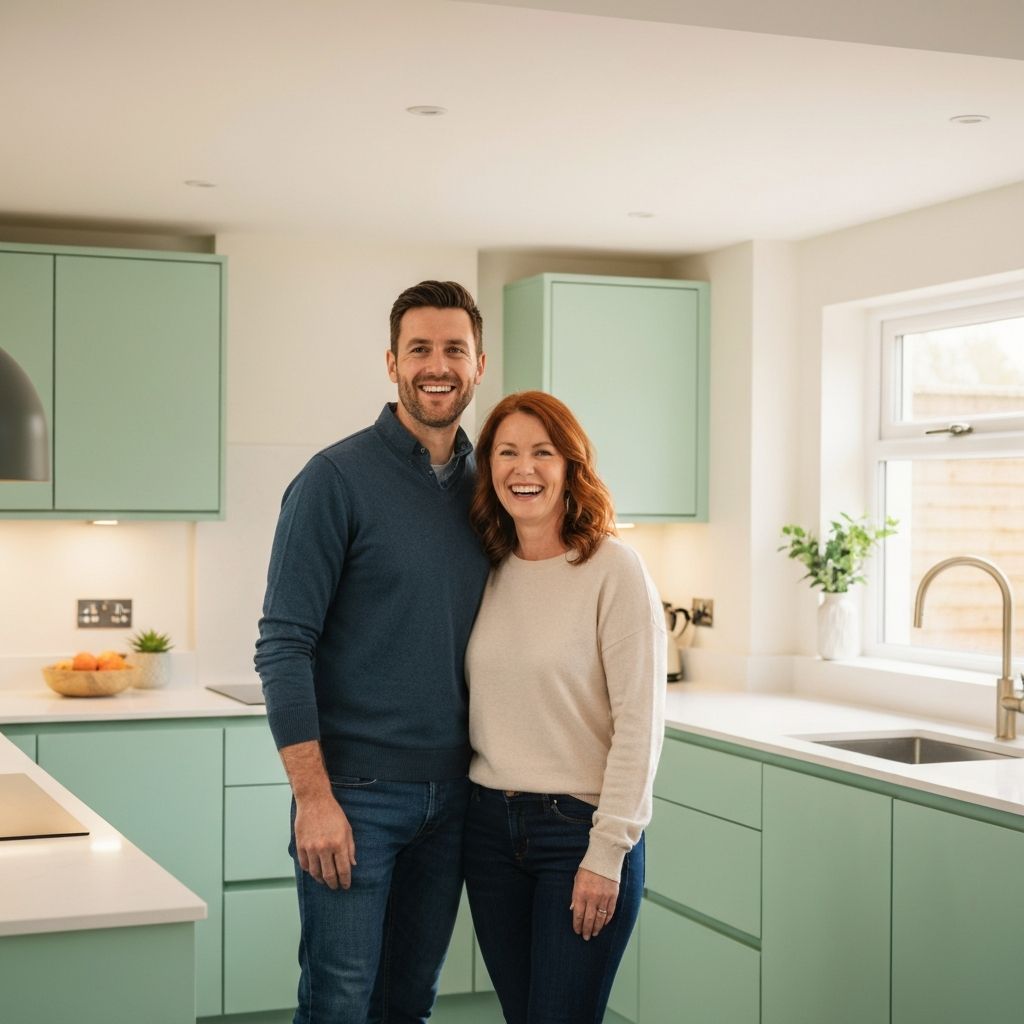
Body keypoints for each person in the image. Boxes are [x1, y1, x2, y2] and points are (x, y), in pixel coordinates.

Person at [254, 280, 489, 1024]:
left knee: (409, 1005)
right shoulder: (335, 480)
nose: (437, 364)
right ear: (391, 363)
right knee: (338, 1005)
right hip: (355, 798)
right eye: (419, 348)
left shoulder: (492, 490)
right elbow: (283, 645)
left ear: (479, 364)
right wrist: (313, 799)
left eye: (454, 348)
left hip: (455, 796)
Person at [464, 390, 666, 1024]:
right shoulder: (486, 569)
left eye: (542, 452)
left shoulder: (614, 570)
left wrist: (607, 854)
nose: (524, 469)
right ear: (489, 468)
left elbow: (640, 727)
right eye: (507, 453)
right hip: (489, 832)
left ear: (570, 465)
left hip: (578, 834)